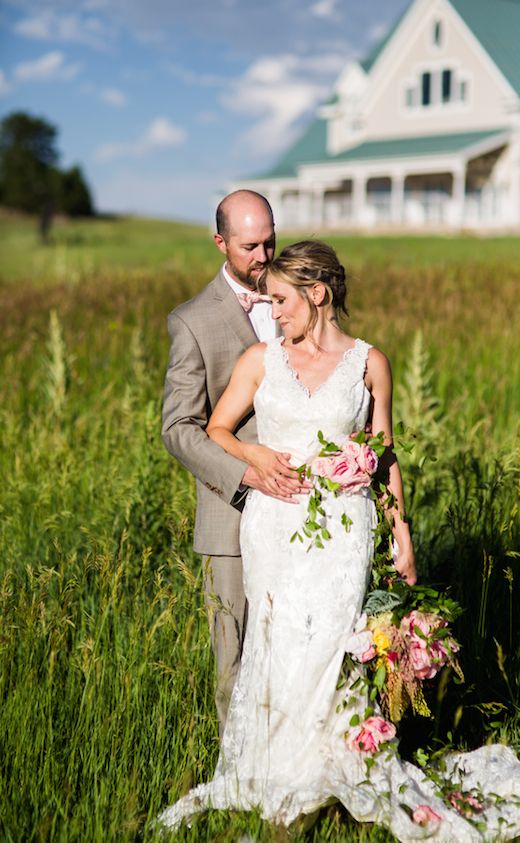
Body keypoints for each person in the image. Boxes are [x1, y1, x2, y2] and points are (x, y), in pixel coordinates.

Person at [156, 242, 520, 839]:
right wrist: (254, 453)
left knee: (333, 647)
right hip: (274, 522)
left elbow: (384, 454)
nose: (274, 312)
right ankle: (274, 770)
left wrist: (402, 533)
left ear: (317, 294)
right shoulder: (258, 359)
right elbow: (216, 427)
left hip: (346, 528)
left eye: (282, 300)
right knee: (280, 642)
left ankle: (335, 765)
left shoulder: (370, 363)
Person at [161, 190, 302, 734]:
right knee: (235, 659)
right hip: (233, 513)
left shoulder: (299, 298)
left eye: (270, 240)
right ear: (220, 243)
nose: (264, 256)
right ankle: (237, 775)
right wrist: (245, 473)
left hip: (303, 506)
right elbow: (178, 429)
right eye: (250, 246)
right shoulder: (193, 321)